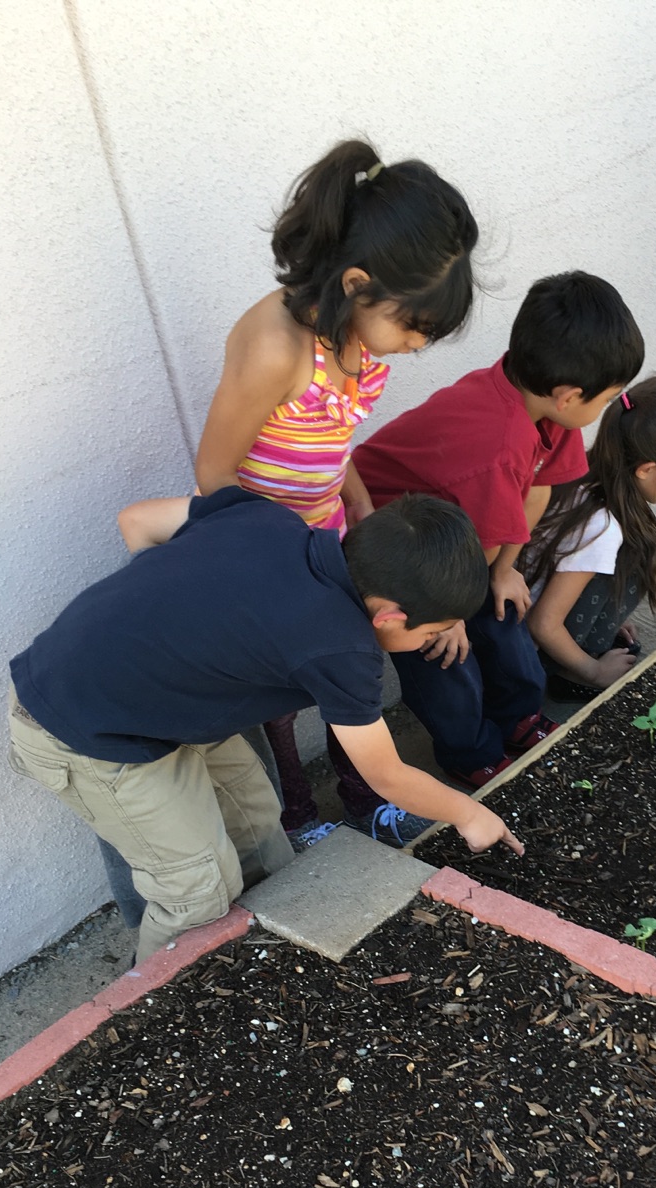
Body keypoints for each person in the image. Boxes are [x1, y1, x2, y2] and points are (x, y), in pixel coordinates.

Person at [124, 139, 480, 846]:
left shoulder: (356, 336)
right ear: (355, 283)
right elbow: (214, 474)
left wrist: (357, 501)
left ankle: (363, 795)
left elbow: (327, 435)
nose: (414, 346)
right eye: (413, 327)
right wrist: (272, 570)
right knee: (283, 695)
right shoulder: (274, 347)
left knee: (355, 664)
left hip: (328, 533)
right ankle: (298, 813)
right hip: (268, 554)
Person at [7, 488, 522, 965]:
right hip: (83, 728)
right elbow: (386, 776)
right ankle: (148, 1020)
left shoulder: (268, 517)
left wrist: (165, 638)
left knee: (260, 835)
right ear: (389, 616)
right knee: (195, 890)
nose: (439, 638)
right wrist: (467, 814)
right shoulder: (341, 647)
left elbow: (137, 520)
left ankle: (255, 964)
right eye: (433, 630)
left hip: (155, 707)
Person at [353, 270, 645, 787]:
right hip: (401, 556)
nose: (604, 411)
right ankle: (470, 752)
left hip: (464, 539)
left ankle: (516, 716)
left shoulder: (549, 412)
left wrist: (505, 570)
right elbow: (483, 531)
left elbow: (537, 492)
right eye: (605, 400)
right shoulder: (497, 445)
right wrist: (451, 613)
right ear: (569, 394)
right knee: (446, 660)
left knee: (507, 623)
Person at [522, 375, 656, 701]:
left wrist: (610, 617)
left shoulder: (586, 470)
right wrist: (595, 671)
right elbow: (543, 623)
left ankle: (591, 637)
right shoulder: (601, 527)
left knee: (636, 549)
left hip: (523, 617)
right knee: (639, 556)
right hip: (530, 648)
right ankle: (572, 672)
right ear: (646, 469)